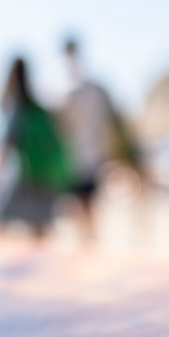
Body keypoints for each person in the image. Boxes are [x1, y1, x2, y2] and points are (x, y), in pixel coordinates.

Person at [60, 36, 139, 240]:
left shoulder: (78, 90)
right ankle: (89, 244)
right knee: (84, 211)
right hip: (85, 158)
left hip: (84, 158)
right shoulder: (87, 90)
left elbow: (111, 123)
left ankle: (89, 246)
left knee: (84, 210)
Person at [0, 57, 71, 241]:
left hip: (27, 179)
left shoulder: (17, 110)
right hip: (49, 179)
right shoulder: (39, 109)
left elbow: (4, 152)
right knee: (40, 232)